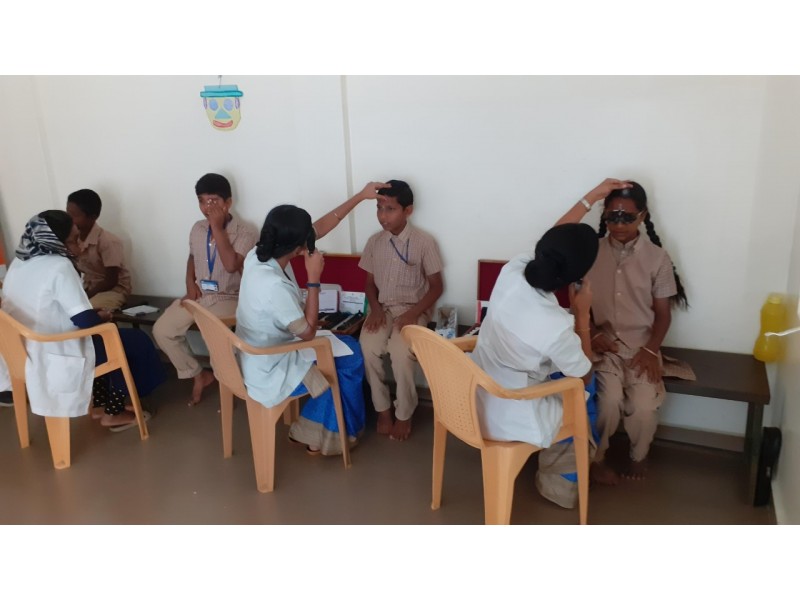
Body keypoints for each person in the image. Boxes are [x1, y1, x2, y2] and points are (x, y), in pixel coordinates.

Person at [557, 179, 688, 483]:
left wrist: (651, 350)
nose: (619, 224)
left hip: (643, 346)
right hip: (603, 345)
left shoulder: (658, 258)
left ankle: (638, 455)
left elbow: (663, 315)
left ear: (642, 216)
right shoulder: (590, 252)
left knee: (643, 406)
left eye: (627, 217)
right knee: (608, 401)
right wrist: (591, 331)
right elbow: (578, 303)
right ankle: (597, 457)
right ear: (604, 214)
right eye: (612, 216)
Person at [470, 223, 599, 508]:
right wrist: (582, 315)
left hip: (471, 396)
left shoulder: (512, 270)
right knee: (588, 396)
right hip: (508, 411)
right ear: (575, 278)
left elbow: (554, 239)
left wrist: (589, 200)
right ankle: (560, 485)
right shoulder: (556, 326)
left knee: (553, 371)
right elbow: (584, 376)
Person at [0, 211, 164, 430]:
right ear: (55, 242)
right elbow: (85, 321)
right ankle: (114, 412)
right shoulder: (60, 266)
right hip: (56, 352)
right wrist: (101, 317)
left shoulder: (19, 263)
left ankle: (100, 405)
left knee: (111, 340)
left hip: (21, 353)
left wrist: (92, 315)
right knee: (133, 341)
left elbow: (49, 309)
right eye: (74, 239)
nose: (79, 245)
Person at [235, 204, 368, 455]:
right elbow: (307, 333)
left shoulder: (256, 255)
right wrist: (313, 278)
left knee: (346, 349)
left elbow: (320, 227)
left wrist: (361, 196)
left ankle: (320, 427)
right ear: (299, 248)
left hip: (256, 354)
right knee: (351, 357)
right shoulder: (274, 286)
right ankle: (329, 433)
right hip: (271, 367)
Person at [152, 173, 258, 406]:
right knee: (163, 330)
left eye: (214, 201)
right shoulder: (197, 228)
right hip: (200, 295)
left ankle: (232, 386)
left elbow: (231, 265)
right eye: (202, 201)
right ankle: (198, 374)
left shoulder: (246, 231)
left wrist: (217, 228)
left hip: (229, 296)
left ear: (228, 202)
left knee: (214, 337)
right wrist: (189, 283)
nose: (207, 207)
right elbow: (192, 256)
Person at [358, 180, 444, 441]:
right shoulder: (374, 242)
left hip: (413, 310)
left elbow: (437, 287)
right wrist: (375, 309)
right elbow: (369, 283)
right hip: (382, 308)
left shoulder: (424, 242)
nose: (383, 216)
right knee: (367, 346)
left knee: (400, 352)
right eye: (379, 208)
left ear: (408, 210)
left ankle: (404, 413)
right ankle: (382, 409)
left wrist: (412, 314)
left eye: (390, 209)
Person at [65, 189, 133, 310]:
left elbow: (111, 281)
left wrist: (85, 296)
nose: (69, 220)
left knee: (85, 312)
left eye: (74, 216)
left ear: (93, 217)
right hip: (90, 287)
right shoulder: (73, 239)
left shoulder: (108, 241)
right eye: (67, 214)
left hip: (113, 290)